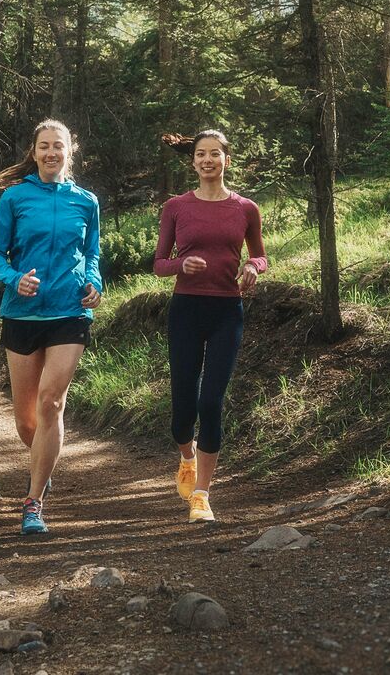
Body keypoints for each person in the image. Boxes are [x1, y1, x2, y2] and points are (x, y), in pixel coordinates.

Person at [0, 119, 103, 536]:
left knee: (51, 403)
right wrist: (15, 278)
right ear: (34, 153)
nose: (52, 152)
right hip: (22, 313)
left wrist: (95, 283)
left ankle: (33, 503)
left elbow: (92, 253)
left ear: (71, 150)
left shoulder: (86, 201)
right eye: (44, 146)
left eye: (59, 146)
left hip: (70, 312)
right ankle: (42, 464)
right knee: (26, 420)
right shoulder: (15, 198)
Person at [153, 129, 267, 523]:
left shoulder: (245, 208)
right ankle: (186, 458)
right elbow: (159, 264)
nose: (207, 160)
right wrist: (180, 265)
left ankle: (201, 495)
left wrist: (252, 266)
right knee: (183, 409)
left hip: (226, 312)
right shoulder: (176, 207)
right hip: (186, 310)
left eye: (215, 154)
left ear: (226, 160)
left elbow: (261, 256)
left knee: (211, 402)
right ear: (193, 161)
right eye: (200, 154)